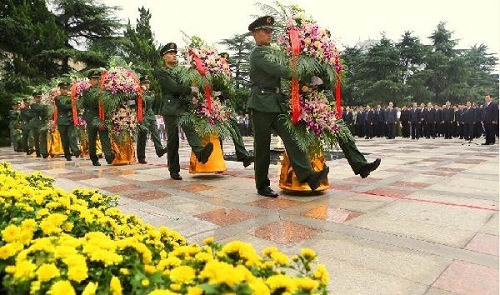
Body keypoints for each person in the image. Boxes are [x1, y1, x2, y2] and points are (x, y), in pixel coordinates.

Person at [247, 15, 331, 198]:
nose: (269, 34)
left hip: (275, 102)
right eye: (265, 31)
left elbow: (286, 64)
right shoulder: (258, 53)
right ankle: (262, 186)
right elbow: (283, 71)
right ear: (255, 34)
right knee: (262, 147)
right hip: (261, 103)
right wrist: (305, 65)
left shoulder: (273, 51)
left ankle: (308, 176)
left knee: (291, 138)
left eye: (271, 31)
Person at [155, 42, 214, 180]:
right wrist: (191, 89)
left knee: (190, 130)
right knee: (173, 140)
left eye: (175, 53)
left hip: (182, 106)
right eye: (170, 53)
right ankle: (174, 169)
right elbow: (174, 87)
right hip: (170, 108)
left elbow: (189, 81)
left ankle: (201, 154)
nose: (174, 56)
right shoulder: (162, 72)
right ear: (164, 57)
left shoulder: (182, 70)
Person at [217, 52, 254, 167]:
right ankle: (217, 158)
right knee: (217, 132)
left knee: (235, 130)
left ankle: (243, 155)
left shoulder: (228, 72)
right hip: (216, 104)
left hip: (226, 105)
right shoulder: (214, 71)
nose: (226, 61)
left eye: (227, 60)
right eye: (224, 59)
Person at [80, 68, 115, 166]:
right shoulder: (86, 91)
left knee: (104, 137)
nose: (97, 81)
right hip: (91, 117)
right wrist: (99, 97)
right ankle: (94, 158)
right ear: (90, 80)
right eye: (94, 79)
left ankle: (108, 157)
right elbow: (88, 102)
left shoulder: (104, 90)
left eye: (98, 79)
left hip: (102, 116)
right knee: (92, 138)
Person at [136, 75, 167, 164]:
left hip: (151, 115)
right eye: (145, 83)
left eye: (148, 83)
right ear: (141, 84)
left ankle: (159, 150)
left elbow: (149, 101)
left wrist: (143, 93)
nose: (147, 85)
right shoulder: (137, 93)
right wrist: (141, 91)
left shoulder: (151, 93)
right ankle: (141, 157)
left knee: (156, 132)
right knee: (142, 136)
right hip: (142, 116)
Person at [54, 80, 81, 161]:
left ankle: (76, 151)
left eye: (66, 89)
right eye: (63, 89)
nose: (65, 90)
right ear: (60, 89)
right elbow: (63, 107)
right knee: (64, 139)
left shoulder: (71, 97)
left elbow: (77, 105)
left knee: (72, 136)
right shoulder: (58, 98)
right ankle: (67, 154)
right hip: (62, 121)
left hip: (70, 120)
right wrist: (73, 104)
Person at [29, 91, 49, 158]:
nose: (39, 99)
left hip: (42, 123)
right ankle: (38, 152)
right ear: (34, 98)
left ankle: (44, 152)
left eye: (39, 97)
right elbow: (39, 109)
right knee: (36, 139)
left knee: (43, 138)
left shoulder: (43, 105)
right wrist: (45, 106)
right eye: (37, 97)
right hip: (35, 123)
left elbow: (46, 113)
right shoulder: (32, 105)